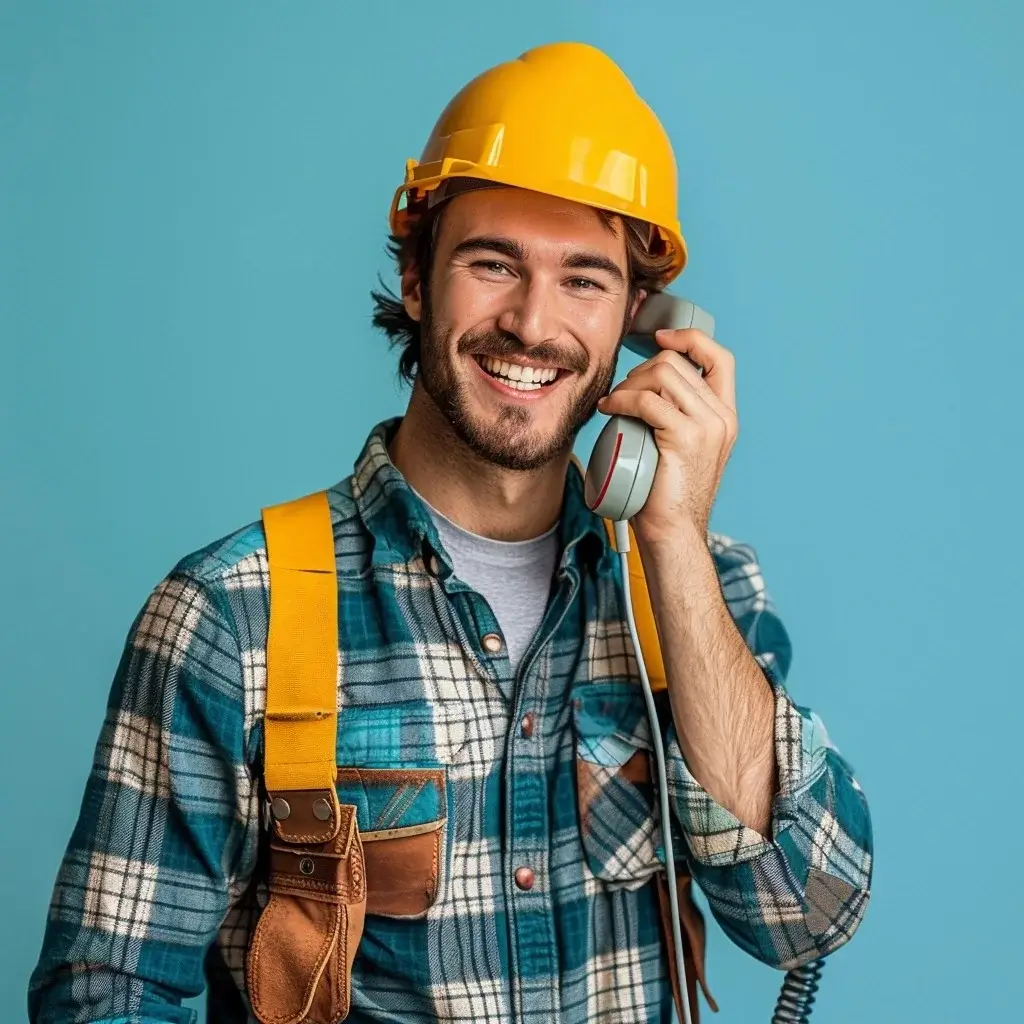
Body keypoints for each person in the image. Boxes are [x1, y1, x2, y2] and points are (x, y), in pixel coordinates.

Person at [29, 41, 872, 1024]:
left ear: (642, 324)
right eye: (491, 263)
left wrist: (675, 539)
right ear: (419, 278)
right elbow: (105, 996)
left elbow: (806, 915)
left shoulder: (696, 594)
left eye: (583, 281)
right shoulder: (229, 617)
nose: (531, 322)